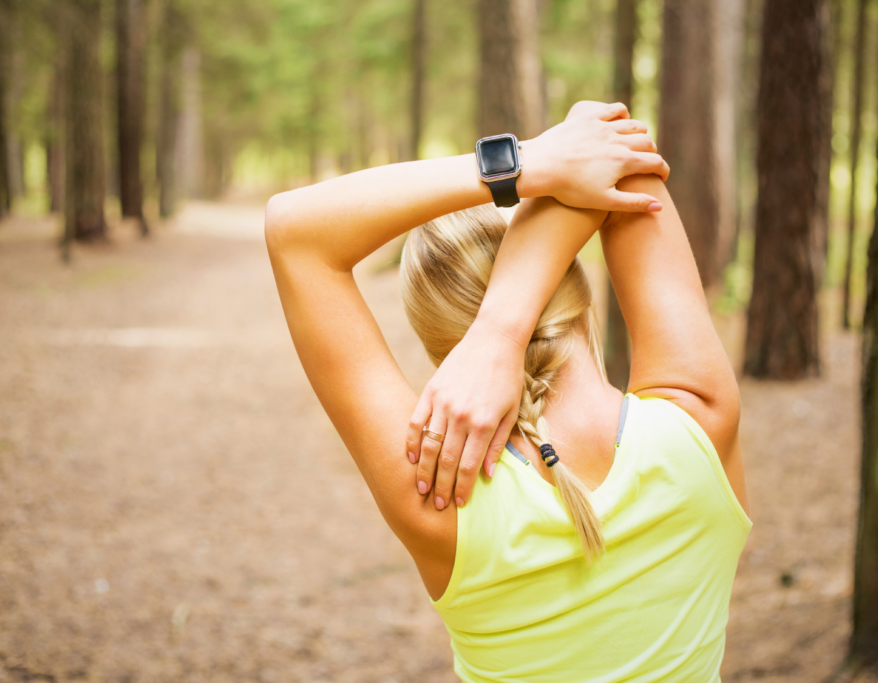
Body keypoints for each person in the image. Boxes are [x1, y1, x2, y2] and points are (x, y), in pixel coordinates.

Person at [265, 101, 751, 682]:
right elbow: (619, 152)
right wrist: (506, 321)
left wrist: (495, 325)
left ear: (437, 344)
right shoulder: (700, 421)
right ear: (574, 280)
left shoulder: (436, 495)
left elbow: (294, 232)